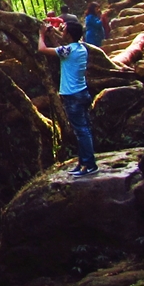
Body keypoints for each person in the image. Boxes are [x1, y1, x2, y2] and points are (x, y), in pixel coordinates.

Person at [40, 18, 97, 176]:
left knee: (81, 131)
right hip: (83, 93)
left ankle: (89, 165)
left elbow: (42, 49)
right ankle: (83, 163)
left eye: (64, 30)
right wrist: (53, 34)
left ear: (70, 35)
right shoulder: (81, 49)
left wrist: (41, 35)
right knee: (83, 130)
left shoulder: (68, 51)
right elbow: (62, 48)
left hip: (73, 97)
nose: (62, 32)